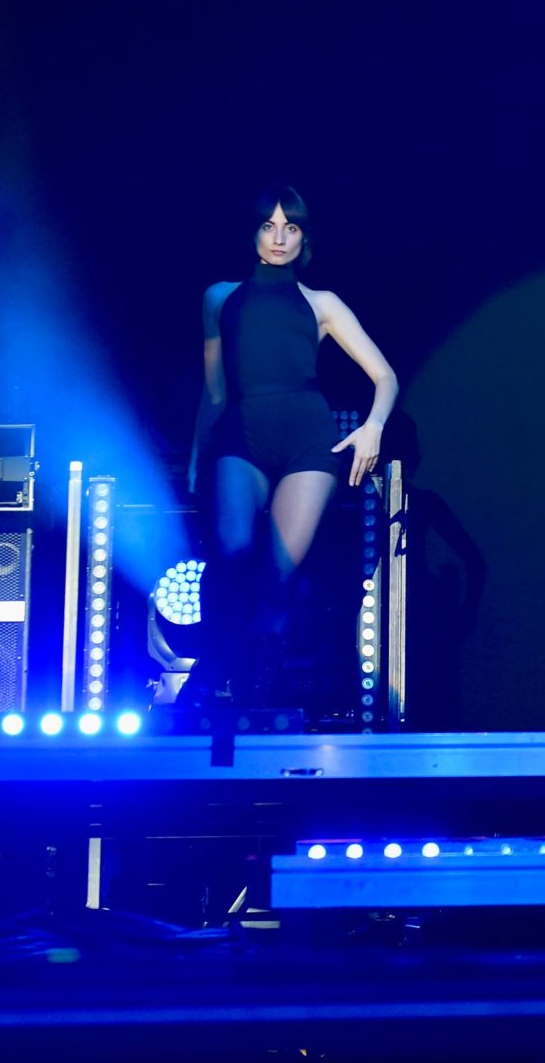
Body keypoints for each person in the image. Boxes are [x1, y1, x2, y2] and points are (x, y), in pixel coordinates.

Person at [189, 186, 398, 705]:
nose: (279, 238)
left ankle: (255, 698)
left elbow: (385, 376)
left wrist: (372, 427)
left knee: (277, 573)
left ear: (304, 236)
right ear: (253, 232)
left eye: (291, 227)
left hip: (308, 442)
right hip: (242, 434)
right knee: (233, 549)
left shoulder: (321, 303)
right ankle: (216, 665)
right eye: (269, 226)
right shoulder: (220, 297)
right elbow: (214, 392)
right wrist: (197, 455)